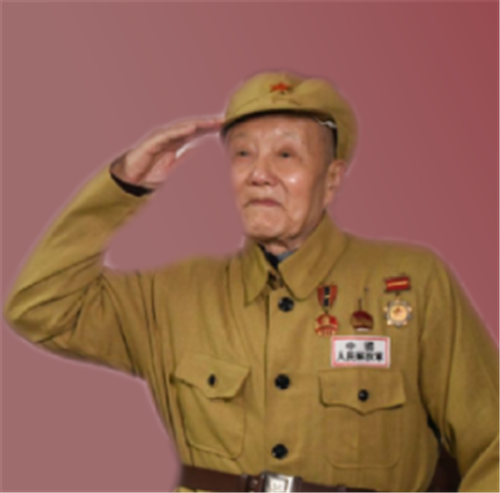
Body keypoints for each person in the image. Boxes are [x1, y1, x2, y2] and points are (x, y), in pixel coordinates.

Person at [3, 71, 498, 493]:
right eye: (243, 154)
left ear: (331, 179)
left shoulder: (410, 283)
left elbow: (492, 441)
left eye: (286, 155)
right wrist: (122, 188)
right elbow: (39, 306)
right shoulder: (172, 296)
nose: (259, 174)